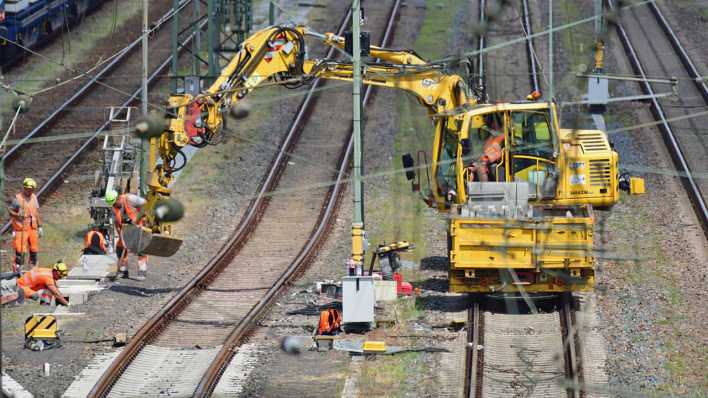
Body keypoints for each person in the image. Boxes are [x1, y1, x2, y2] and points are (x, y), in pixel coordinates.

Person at [104, 189, 148, 281]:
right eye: (113, 204)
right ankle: (123, 271)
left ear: (118, 197)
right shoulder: (114, 208)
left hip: (138, 227)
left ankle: (142, 271)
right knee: (120, 248)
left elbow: (146, 204)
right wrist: (122, 239)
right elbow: (118, 226)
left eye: (115, 202)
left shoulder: (130, 198)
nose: (115, 205)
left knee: (141, 249)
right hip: (125, 230)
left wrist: (139, 217)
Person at [8, 178, 43, 272]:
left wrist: (40, 227)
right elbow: (10, 211)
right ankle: (17, 271)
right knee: (20, 251)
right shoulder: (18, 198)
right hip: (21, 229)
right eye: (28, 189)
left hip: (33, 228)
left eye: (32, 190)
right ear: (24, 188)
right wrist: (17, 214)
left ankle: (33, 269)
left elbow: (36, 212)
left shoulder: (34, 197)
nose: (30, 191)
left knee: (34, 250)